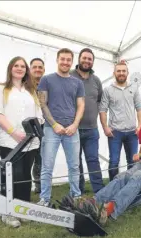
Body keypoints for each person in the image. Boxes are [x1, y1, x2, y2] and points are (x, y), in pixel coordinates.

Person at [0, 56, 44, 228]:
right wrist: (14, 132)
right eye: (16, 65)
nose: (20, 68)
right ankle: (8, 213)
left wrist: (34, 129)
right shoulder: (1, 88)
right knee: (13, 175)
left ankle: (24, 210)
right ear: (10, 68)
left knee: (25, 176)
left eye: (23, 66)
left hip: (30, 142)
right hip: (9, 140)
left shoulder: (31, 91)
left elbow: (39, 116)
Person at [37, 48, 85, 206]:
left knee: (74, 166)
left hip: (72, 130)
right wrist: (54, 124)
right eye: (62, 59)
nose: (65, 62)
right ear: (57, 60)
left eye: (68, 59)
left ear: (72, 61)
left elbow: (81, 105)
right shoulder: (46, 79)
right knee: (47, 166)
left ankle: (76, 197)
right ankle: (44, 199)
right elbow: (43, 104)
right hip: (52, 129)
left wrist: (75, 125)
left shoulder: (78, 82)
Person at [99, 60, 141, 181]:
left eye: (123, 71)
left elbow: (140, 108)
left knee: (133, 162)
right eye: (118, 71)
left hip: (132, 133)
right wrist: (105, 128)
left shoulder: (134, 88)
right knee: (114, 161)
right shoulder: (108, 90)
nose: (121, 73)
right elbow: (102, 110)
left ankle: (130, 188)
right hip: (115, 133)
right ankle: (114, 188)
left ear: (127, 73)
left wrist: (140, 126)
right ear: (114, 73)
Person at [70, 48, 104, 194]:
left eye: (89, 59)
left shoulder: (96, 80)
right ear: (79, 59)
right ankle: (79, 189)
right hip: (73, 129)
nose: (87, 61)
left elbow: (100, 100)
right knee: (75, 163)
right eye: (84, 58)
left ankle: (99, 191)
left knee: (93, 160)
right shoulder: (69, 76)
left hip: (92, 129)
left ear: (92, 62)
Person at [30, 58, 45, 193]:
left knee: (40, 157)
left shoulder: (47, 85)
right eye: (35, 67)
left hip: (44, 125)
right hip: (28, 125)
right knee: (28, 156)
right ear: (30, 69)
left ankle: (39, 186)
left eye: (40, 67)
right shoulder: (25, 86)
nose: (37, 69)